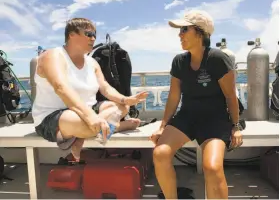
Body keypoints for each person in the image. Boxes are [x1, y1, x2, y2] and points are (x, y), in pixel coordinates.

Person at [150, 10, 243, 199]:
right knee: (160, 153)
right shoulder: (179, 61)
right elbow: (174, 97)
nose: (180, 34)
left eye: (184, 29)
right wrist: (162, 126)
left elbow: (231, 97)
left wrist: (236, 126)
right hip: (187, 117)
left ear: (201, 33)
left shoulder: (217, 59)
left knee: (212, 167)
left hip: (215, 119)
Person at [32, 18, 148, 161]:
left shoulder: (92, 62)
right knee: (86, 124)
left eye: (95, 35)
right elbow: (61, 87)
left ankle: (81, 137)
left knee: (122, 107)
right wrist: (91, 118)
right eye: (88, 34)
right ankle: (116, 126)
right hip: (53, 115)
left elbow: (105, 88)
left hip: (88, 109)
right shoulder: (53, 55)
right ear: (71, 35)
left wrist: (126, 99)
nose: (93, 38)